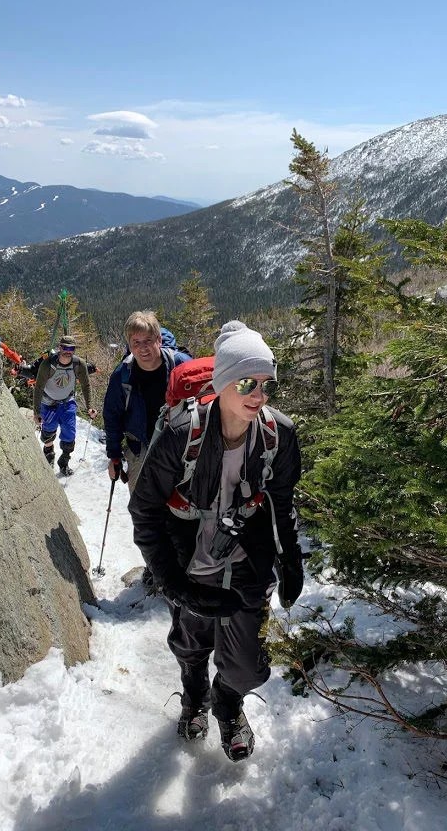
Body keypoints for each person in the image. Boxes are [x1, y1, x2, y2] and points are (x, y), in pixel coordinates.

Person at [128, 320, 304, 762]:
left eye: (266, 384)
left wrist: (291, 561)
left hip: (248, 558)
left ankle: (228, 702)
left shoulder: (278, 435)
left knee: (247, 664)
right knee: (192, 642)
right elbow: (145, 512)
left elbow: (281, 504)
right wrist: (173, 584)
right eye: (247, 382)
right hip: (190, 560)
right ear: (223, 382)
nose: (258, 395)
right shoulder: (180, 435)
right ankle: (193, 698)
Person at [102, 311, 191, 492]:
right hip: (140, 447)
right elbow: (112, 416)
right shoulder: (123, 375)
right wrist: (114, 456)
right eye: (136, 342)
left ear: (158, 339)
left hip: (179, 447)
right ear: (130, 345)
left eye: (148, 341)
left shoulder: (180, 365)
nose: (143, 348)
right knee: (143, 508)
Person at [33, 334, 97, 475]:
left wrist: (90, 406)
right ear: (60, 348)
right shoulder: (48, 364)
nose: (68, 351)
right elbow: (38, 387)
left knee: (70, 435)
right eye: (65, 347)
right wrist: (36, 412)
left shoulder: (78, 364)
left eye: (71, 348)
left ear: (74, 349)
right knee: (48, 433)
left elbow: (86, 385)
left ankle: (64, 462)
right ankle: (49, 454)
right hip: (48, 403)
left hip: (67, 403)